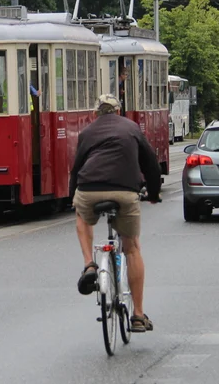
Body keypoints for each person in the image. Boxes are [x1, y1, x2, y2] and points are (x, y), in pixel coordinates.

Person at [69, 94, 162, 334]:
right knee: (131, 248)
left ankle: (90, 264)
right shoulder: (131, 127)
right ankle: (138, 315)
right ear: (119, 111)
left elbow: (76, 168)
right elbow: (151, 162)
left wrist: (74, 196)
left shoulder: (87, 132)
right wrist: (153, 193)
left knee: (82, 216)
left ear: (95, 113)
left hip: (89, 190)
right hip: (124, 191)